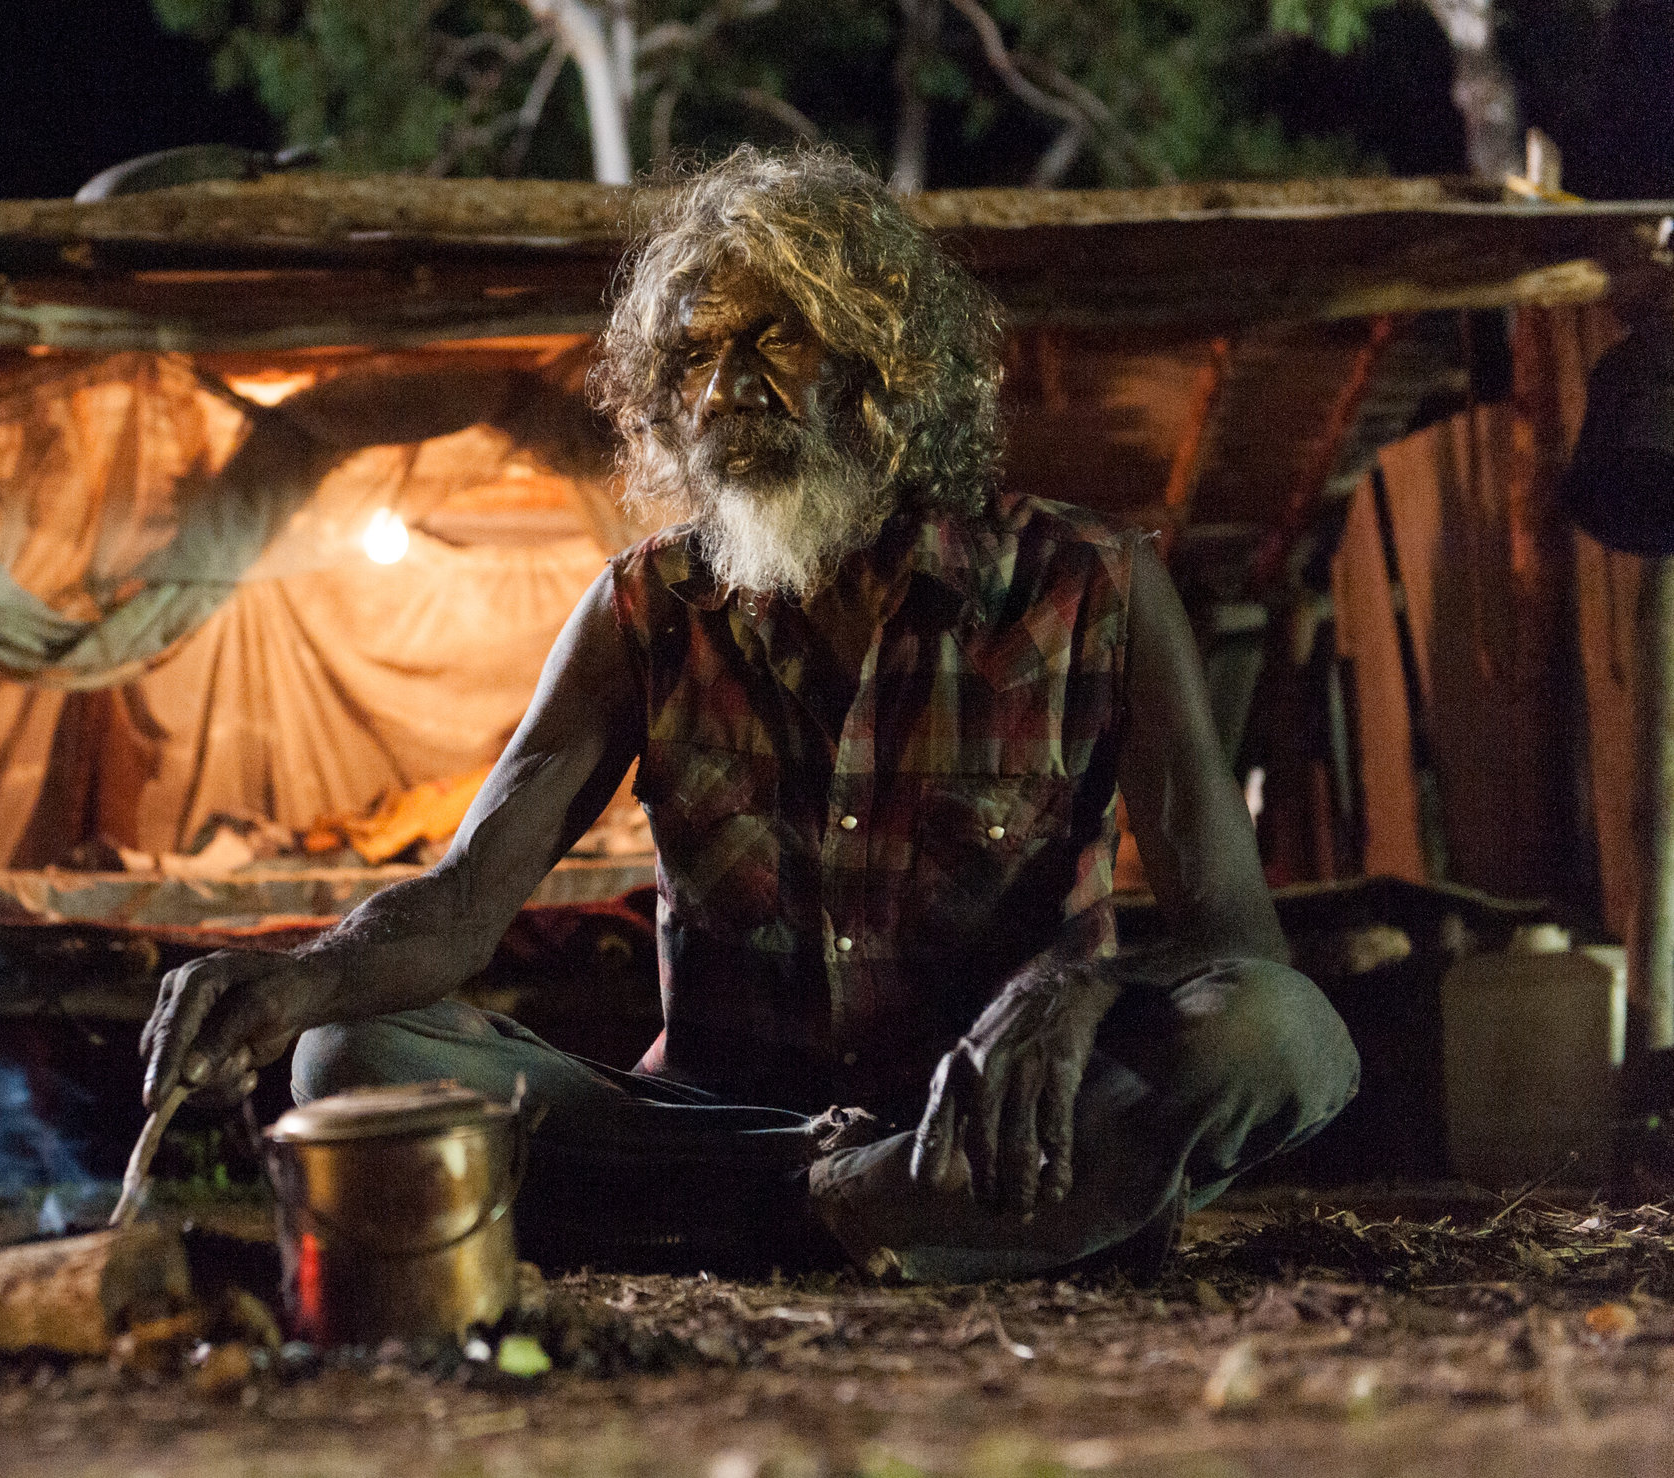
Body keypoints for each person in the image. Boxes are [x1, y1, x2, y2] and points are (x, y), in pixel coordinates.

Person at [138, 146, 1358, 1281]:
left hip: (976, 1119)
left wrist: (1074, 992)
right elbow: (462, 904)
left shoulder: (1092, 587)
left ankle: (837, 1208)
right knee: (350, 1054)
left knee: (1281, 1034)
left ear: (884, 364)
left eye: (773, 339)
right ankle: (876, 1214)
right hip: (707, 1130)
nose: (723, 386)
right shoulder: (645, 606)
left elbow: (1239, 949)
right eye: (695, 354)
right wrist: (295, 977)